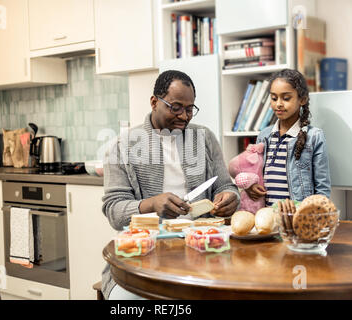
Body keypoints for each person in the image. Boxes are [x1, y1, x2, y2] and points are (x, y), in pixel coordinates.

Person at [101, 70, 239, 299]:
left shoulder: (204, 138)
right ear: (154, 102)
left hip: (203, 250)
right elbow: (114, 212)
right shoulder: (122, 146)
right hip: (143, 256)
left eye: (189, 109)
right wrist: (151, 205)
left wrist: (230, 198)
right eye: (176, 107)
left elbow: (226, 186)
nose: (184, 116)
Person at [246, 68, 331, 210]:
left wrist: (313, 216)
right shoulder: (264, 136)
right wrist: (251, 186)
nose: (278, 103)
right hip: (267, 219)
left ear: (302, 99)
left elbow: (322, 189)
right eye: (274, 98)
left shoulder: (314, 137)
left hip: (298, 220)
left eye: (286, 98)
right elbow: (256, 174)